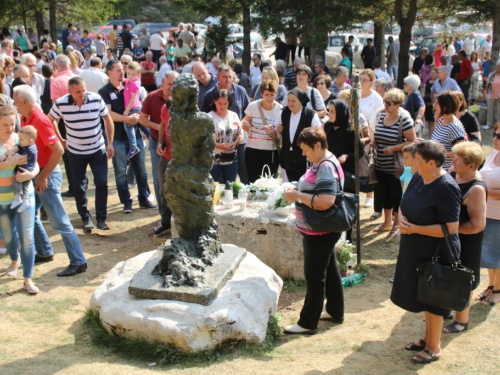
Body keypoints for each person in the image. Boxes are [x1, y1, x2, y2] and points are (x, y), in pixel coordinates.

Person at [392, 140, 461, 364]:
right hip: (415, 248)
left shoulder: (447, 187)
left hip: (436, 250)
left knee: (433, 299)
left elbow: (451, 228)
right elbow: (405, 201)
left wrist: (415, 229)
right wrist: (400, 216)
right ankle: (427, 337)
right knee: (422, 294)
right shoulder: (419, 176)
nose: (412, 165)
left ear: (432, 162)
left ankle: (434, 347)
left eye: (418, 161)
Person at [282, 127, 345, 335]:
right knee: (330, 270)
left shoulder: (326, 166)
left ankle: (308, 322)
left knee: (314, 277)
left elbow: (326, 201)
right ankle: (335, 311)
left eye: (306, 149)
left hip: (319, 231)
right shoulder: (322, 161)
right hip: (320, 229)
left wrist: (298, 196)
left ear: (318, 145)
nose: (303, 153)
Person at [48, 77, 114, 231]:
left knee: (102, 182)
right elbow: (50, 120)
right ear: (69, 91)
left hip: (97, 149)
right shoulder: (61, 103)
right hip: (75, 152)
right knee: (79, 186)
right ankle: (85, 218)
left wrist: (110, 142)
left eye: (83, 90)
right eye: (78, 91)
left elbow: (108, 119)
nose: (82, 94)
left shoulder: (96, 99)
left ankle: (101, 218)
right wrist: (60, 140)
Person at [439, 142, 487, 332]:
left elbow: (477, 225)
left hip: (467, 242)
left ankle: (462, 320)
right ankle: (447, 309)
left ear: (471, 165)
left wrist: (450, 230)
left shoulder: (476, 189)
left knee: (464, 278)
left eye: (458, 160)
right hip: (451, 239)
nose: (453, 162)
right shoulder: (454, 174)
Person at [99, 60, 155, 216]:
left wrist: (138, 115)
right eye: (118, 70)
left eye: (122, 70)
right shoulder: (104, 91)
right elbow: (108, 114)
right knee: (120, 172)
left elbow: (139, 103)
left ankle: (144, 197)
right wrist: (127, 119)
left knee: (142, 170)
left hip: (135, 136)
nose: (122, 73)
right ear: (109, 72)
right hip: (117, 138)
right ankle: (126, 202)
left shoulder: (129, 83)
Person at [0, 105, 39, 293]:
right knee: (8, 236)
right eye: (5, 124)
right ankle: (14, 258)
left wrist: (30, 175)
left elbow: (35, 163)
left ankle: (28, 279)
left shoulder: (21, 138)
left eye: (12, 123)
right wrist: (9, 163)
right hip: (3, 198)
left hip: (25, 194)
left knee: (27, 237)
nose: (10, 128)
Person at [373, 88, 416, 242]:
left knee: (396, 195)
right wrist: (374, 141)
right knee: (384, 194)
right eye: (385, 101)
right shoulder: (380, 116)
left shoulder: (404, 120)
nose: (385, 105)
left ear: (398, 104)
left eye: (389, 103)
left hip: (396, 166)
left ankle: (396, 225)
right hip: (380, 164)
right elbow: (378, 134)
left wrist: (393, 148)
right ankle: (386, 221)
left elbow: (412, 141)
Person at [201, 65, 250, 184]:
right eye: (224, 77)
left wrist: (239, 126)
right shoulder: (210, 94)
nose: (227, 80)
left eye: (230, 77)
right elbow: (203, 119)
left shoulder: (241, 91)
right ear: (217, 77)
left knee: (242, 171)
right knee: (219, 180)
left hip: (238, 140)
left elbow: (248, 111)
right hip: (217, 147)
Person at [324, 99, 363, 242]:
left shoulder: (350, 129)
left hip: (346, 171)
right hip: (329, 170)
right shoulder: (327, 126)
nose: (330, 113)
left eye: (333, 111)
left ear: (340, 112)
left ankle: (347, 238)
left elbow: (360, 152)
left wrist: (346, 156)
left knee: (345, 205)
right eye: (329, 110)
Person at [476, 124, 500, 306]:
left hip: (498, 216)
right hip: (487, 212)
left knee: (497, 256)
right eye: (495, 134)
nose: (495, 138)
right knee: (489, 255)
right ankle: (491, 286)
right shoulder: (494, 153)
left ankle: (498, 291)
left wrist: (482, 189)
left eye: (499, 136)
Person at [276, 88, 321, 182]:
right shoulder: (284, 113)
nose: (290, 103)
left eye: (293, 101)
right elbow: (277, 127)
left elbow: (319, 133)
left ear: (301, 101)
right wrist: (278, 130)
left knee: (302, 185)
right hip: (287, 156)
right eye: (288, 100)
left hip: (303, 158)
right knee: (287, 186)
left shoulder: (310, 114)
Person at [241, 81, 283, 183]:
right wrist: (245, 126)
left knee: (269, 182)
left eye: (272, 95)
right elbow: (244, 122)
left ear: (276, 94)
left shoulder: (280, 110)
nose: (269, 98)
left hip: (271, 150)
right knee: (253, 181)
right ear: (262, 94)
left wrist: (275, 132)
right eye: (266, 95)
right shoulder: (253, 106)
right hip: (253, 149)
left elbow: (281, 133)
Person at [208, 89, 244, 183]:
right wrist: (219, 146)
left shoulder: (234, 115)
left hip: (232, 161)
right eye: (220, 103)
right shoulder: (209, 117)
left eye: (225, 103)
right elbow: (204, 140)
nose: (222, 106)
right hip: (214, 162)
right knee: (216, 190)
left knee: (230, 188)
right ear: (214, 101)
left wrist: (235, 142)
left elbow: (241, 134)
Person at [2, 125, 38, 212]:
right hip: (4, 195)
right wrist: (14, 149)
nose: (19, 141)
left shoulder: (30, 149)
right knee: (19, 183)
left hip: (25, 171)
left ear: (29, 141)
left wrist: (31, 174)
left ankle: (22, 199)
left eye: (21, 139)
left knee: (22, 184)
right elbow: (18, 146)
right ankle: (20, 199)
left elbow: (21, 158)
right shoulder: (26, 145)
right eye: (5, 124)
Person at [431, 91, 466, 171]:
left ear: (446, 107)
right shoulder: (441, 121)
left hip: (447, 172)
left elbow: (460, 155)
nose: (434, 106)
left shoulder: (455, 127)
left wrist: (440, 151)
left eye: (437, 104)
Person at [122, 61, 144, 160]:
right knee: (140, 124)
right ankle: (150, 136)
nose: (130, 76)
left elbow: (133, 99)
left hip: (133, 107)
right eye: (128, 73)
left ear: (138, 74)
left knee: (128, 125)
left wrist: (127, 111)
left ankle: (133, 146)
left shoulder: (134, 83)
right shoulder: (130, 81)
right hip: (133, 107)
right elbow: (126, 80)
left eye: (133, 74)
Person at [484, 61, 500, 130]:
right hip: (491, 95)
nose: (498, 67)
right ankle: (489, 124)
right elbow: (487, 85)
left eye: (499, 66)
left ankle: (498, 126)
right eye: (497, 66)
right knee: (490, 110)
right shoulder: (491, 74)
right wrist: (485, 94)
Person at [424, 67, 438, 136]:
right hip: (426, 104)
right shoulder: (428, 81)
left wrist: (433, 102)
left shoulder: (437, 82)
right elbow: (424, 91)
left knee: (433, 122)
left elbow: (435, 93)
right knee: (428, 121)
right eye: (431, 73)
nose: (431, 74)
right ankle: (429, 135)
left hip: (433, 104)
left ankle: (432, 136)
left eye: (433, 73)